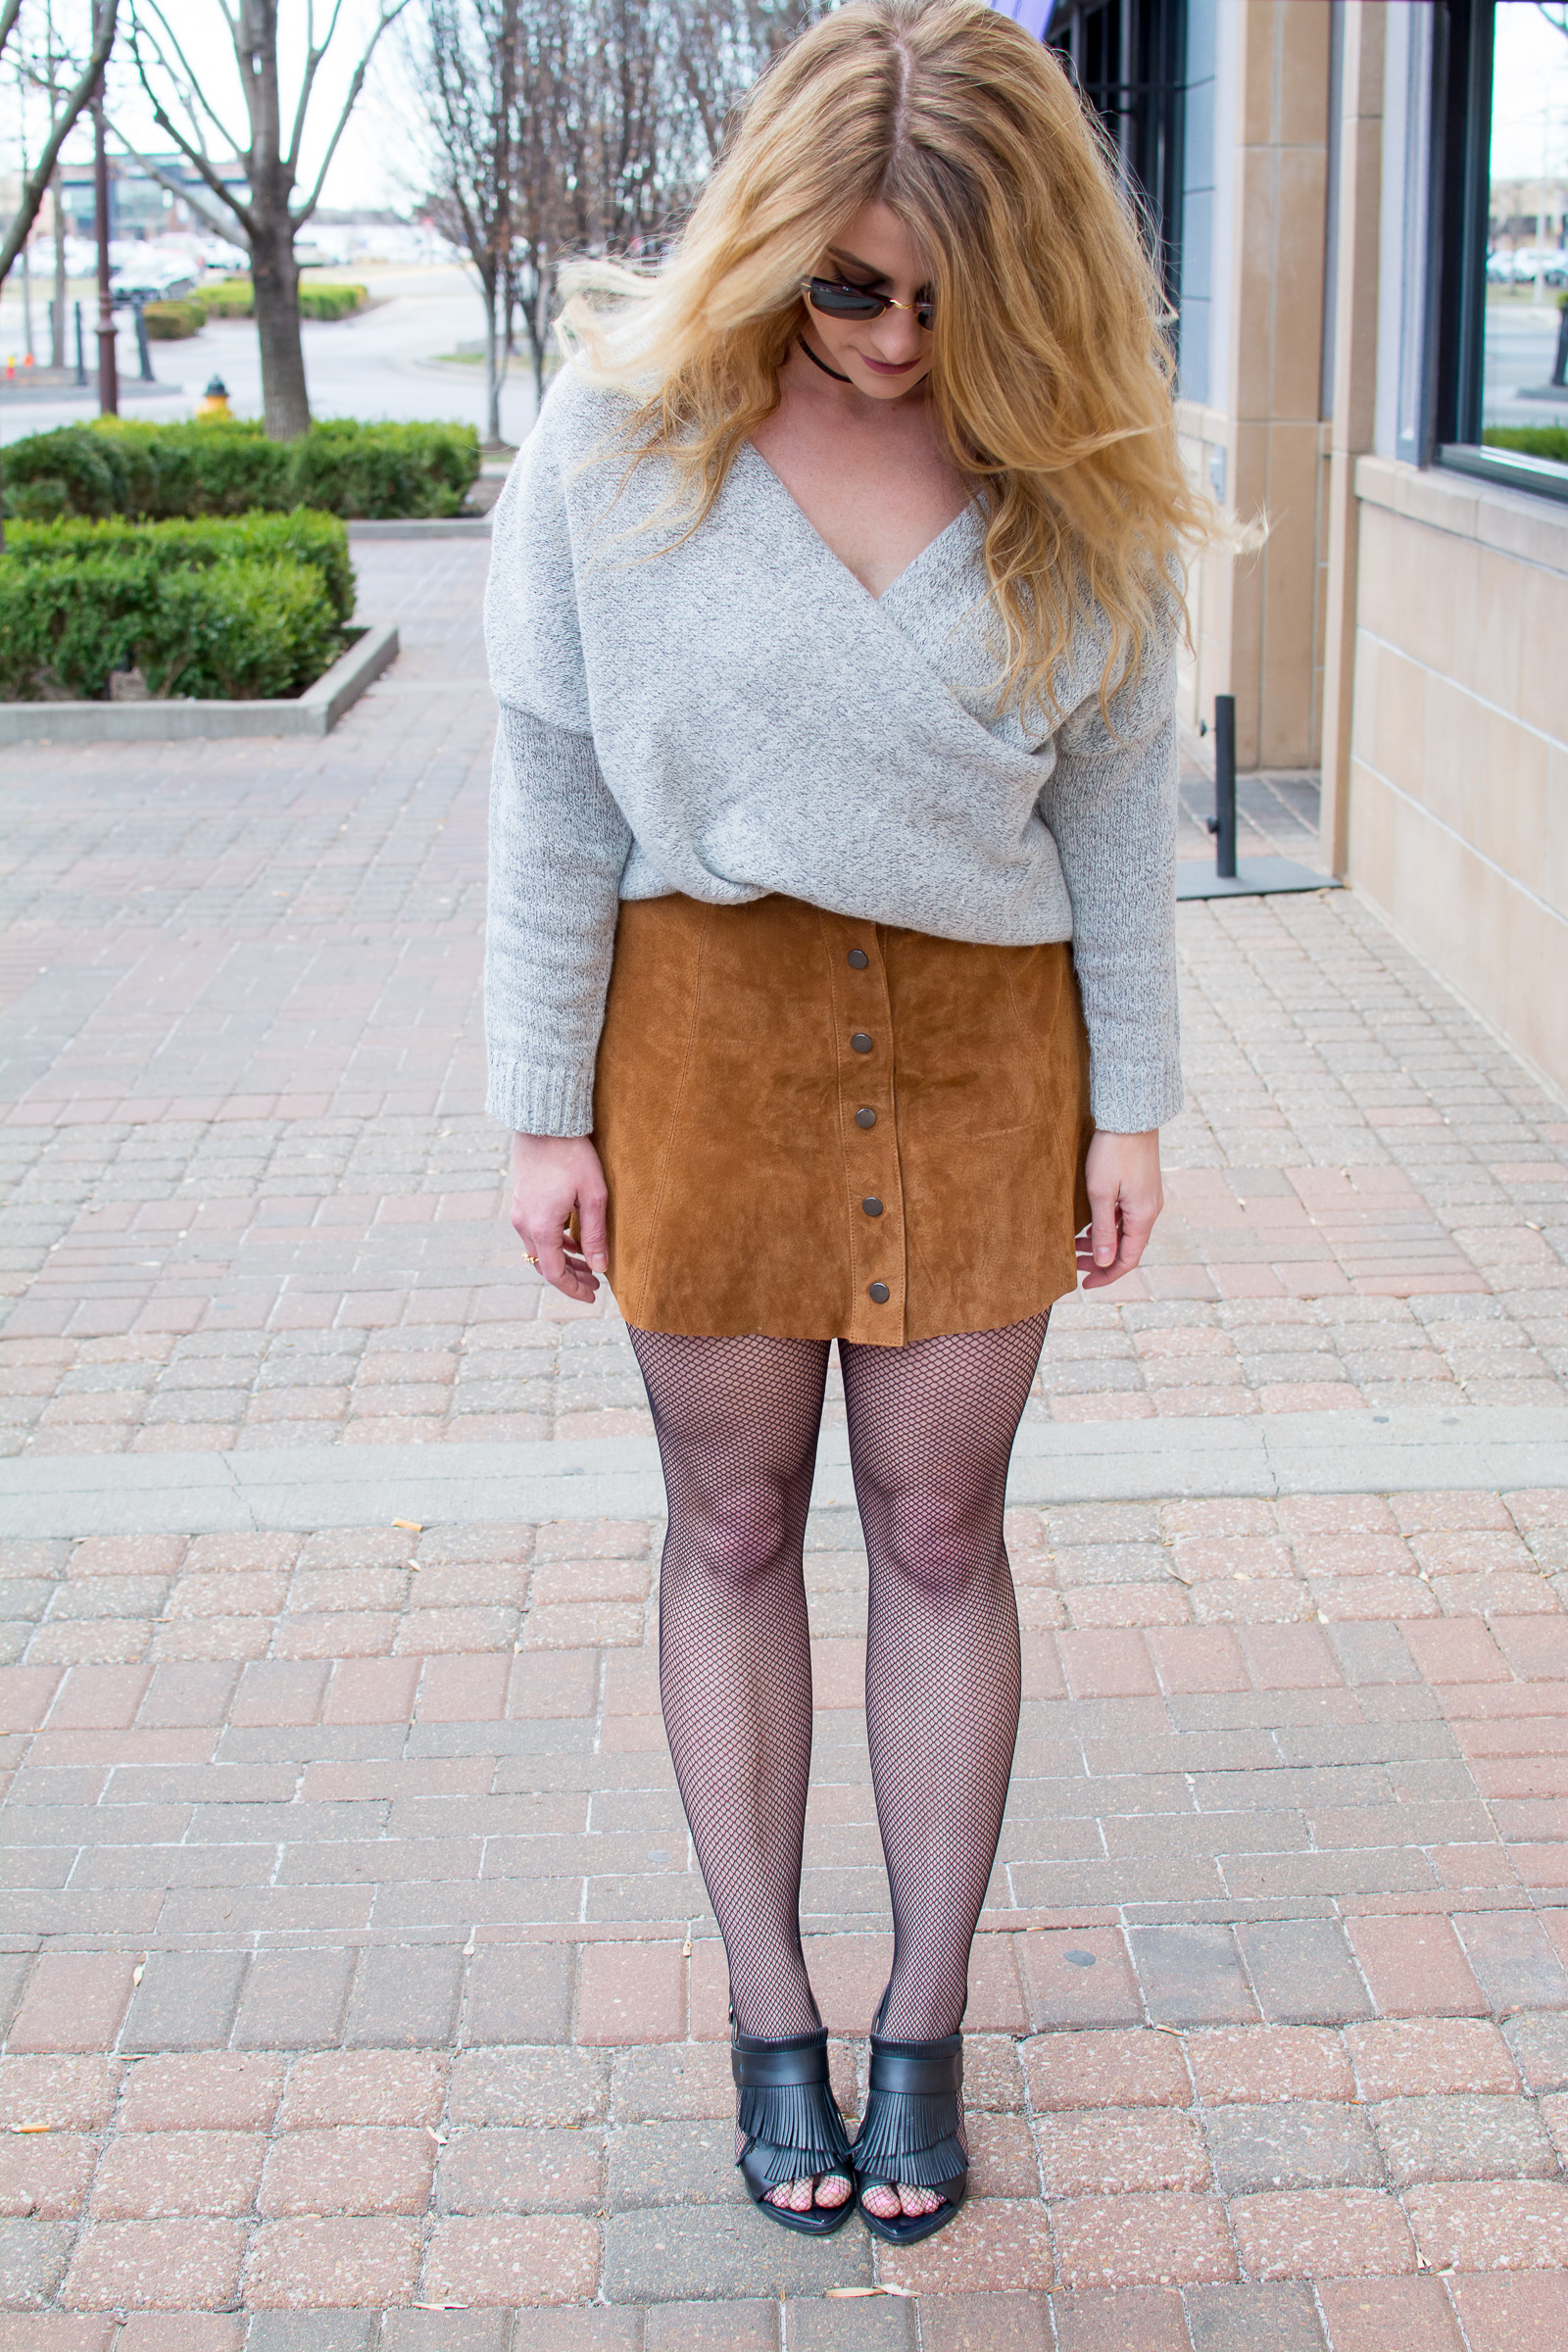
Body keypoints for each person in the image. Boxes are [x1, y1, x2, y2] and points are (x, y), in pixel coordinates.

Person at [484, 0, 1206, 2247]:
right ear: (770, 241)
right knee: (722, 1526)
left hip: (991, 1041)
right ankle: (762, 2014)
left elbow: (1111, 804)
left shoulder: (1066, 456)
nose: (892, 340)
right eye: (847, 285)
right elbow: (545, 783)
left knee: (932, 1532)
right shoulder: (620, 449)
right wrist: (538, 1110)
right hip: (698, 1026)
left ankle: (918, 2033)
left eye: (939, 295)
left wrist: (1133, 1104)